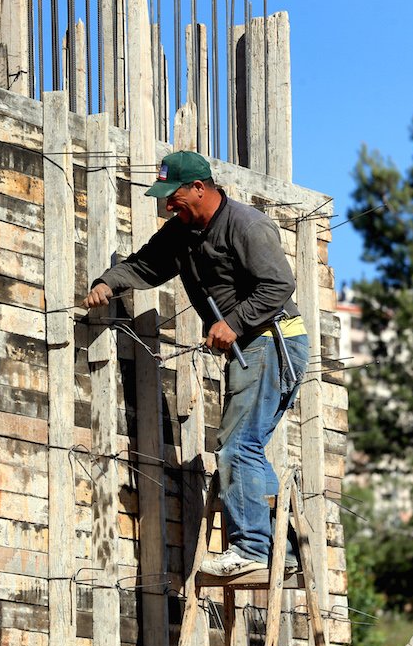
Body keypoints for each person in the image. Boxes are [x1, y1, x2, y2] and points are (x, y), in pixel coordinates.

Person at [84, 150, 310, 577]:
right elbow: (146, 266)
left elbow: (279, 285)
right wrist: (107, 283)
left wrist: (233, 323)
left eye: (174, 195)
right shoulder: (181, 233)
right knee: (247, 447)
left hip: (272, 340)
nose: (168, 204)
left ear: (200, 189)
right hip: (252, 346)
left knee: (236, 446)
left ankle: (254, 549)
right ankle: (288, 551)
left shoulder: (246, 224)